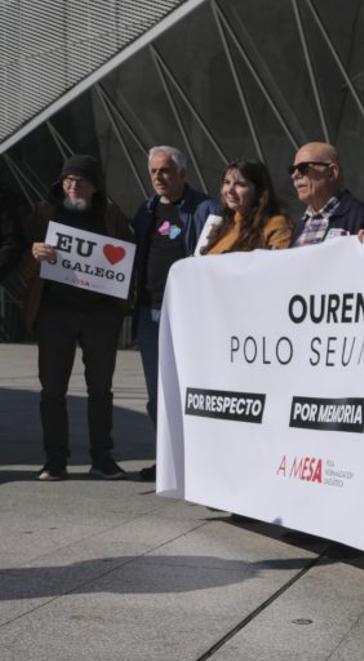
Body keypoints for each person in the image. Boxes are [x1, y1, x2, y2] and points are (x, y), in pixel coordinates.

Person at [21, 155, 134, 481]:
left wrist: (120, 305)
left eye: (81, 180)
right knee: (52, 389)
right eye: (68, 179)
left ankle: (102, 456)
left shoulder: (111, 216)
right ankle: (55, 459)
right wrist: (34, 254)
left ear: (96, 186)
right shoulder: (44, 213)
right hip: (54, 313)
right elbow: (22, 258)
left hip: (100, 315)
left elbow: (128, 258)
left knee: (101, 389)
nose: (73, 186)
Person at [129, 146, 219, 481]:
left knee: (191, 389)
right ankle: (167, 460)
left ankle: (196, 461)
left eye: (165, 171)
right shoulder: (147, 209)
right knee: (158, 393)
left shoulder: (205, 208)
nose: (158, 178)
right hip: (150, 314)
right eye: (153, 172)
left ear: (182, 173)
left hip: (187, 317)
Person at [289, 141, 364, 246]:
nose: (295, 175)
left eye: (303, 168)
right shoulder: (300, 226)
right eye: (292, 170)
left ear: (332, 172)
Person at [204, 159, 292, 254]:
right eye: (227, 182)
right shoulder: (221, 227)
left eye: (240, 184)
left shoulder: (276, 225)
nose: (230, 190)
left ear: (259, 191)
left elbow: (278, 264)